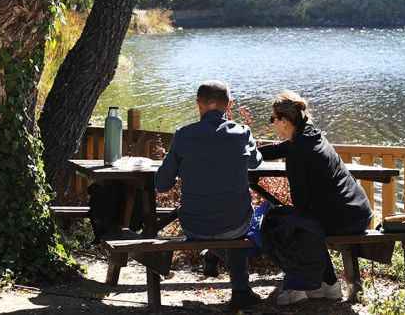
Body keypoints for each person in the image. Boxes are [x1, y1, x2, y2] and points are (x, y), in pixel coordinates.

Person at [156, 80, 263, 310]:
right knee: (245, 219)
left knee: (223, 218)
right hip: (236, 224)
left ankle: (213, 254)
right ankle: (240, 290)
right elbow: (256, 162)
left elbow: (162, 184)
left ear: (199, 104)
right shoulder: (242, 133)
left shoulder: (183, 135)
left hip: (194, 225)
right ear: (228, 105)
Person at [260, 90, 373, 305]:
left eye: (273, 119)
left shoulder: (298, 153)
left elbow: (301, 204)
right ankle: (328, 284)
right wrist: (254, 152)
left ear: (285, 121)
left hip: (344, 219)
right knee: (297, 220)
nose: (272, 123)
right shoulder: (311, 135)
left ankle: (301, 286)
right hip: (357, 211)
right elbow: (283, 148)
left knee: (278, 223)